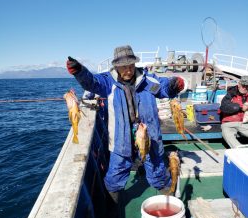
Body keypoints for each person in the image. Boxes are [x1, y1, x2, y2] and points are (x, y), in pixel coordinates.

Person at [66, 45, 184, 203]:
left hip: (149, 135)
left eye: (130, 66)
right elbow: (91, 83)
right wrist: (79, 71)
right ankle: (112, 205)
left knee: (157, 168)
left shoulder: (148, 80)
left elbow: (164, 88)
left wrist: (174, 85)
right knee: (116, 173)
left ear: (135, 64)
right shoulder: (107, 82)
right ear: (116, 66)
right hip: (121, 139)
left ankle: (167, 194)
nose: (128, 70)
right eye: (123, 67)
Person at [220, 75, 248, 148]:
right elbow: (223, 107)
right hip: (228, 123)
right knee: (228, 135)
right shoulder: (230, 94)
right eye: (243, 85)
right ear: (239, 84)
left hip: (244, 124)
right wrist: (240, 107)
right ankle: (240, 150)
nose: (245, 88)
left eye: (247, 86)